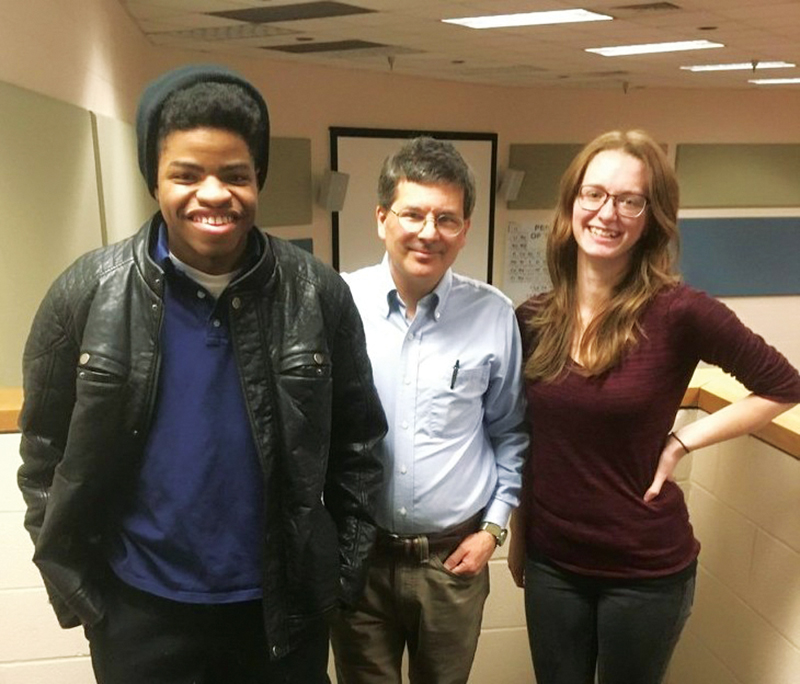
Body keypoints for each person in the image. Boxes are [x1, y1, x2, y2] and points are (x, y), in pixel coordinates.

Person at [17, 64, 387, 684]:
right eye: (186, 174)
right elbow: (44, 456)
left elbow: (360, 446)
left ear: (258, 179)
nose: (213, 194)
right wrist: (76, 586)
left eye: (235, 175)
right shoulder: (86, 292)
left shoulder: (315, 293)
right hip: (136, 612)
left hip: (281, 612)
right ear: (153, 181)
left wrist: (342, 576)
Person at [508, 129, 800, 684]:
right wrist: (522, 535)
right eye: (593, 194)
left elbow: (783, 385)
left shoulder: (679, 312)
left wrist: (685, 439)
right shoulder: (533, 318)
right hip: (553, 563)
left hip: (643, 571)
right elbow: (527, 440)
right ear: (572, 204)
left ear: (651, 217)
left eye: (628, 200)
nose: (606, 213)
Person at [330, 137, 529, 684]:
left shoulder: (493, 315)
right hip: (361, 559)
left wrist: (494, 528)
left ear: (465, 230)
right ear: (381, 218)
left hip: (452, 562)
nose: (428, 232)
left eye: (446, 218)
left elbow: (511, 432)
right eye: (412, 213)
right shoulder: (337, 306)